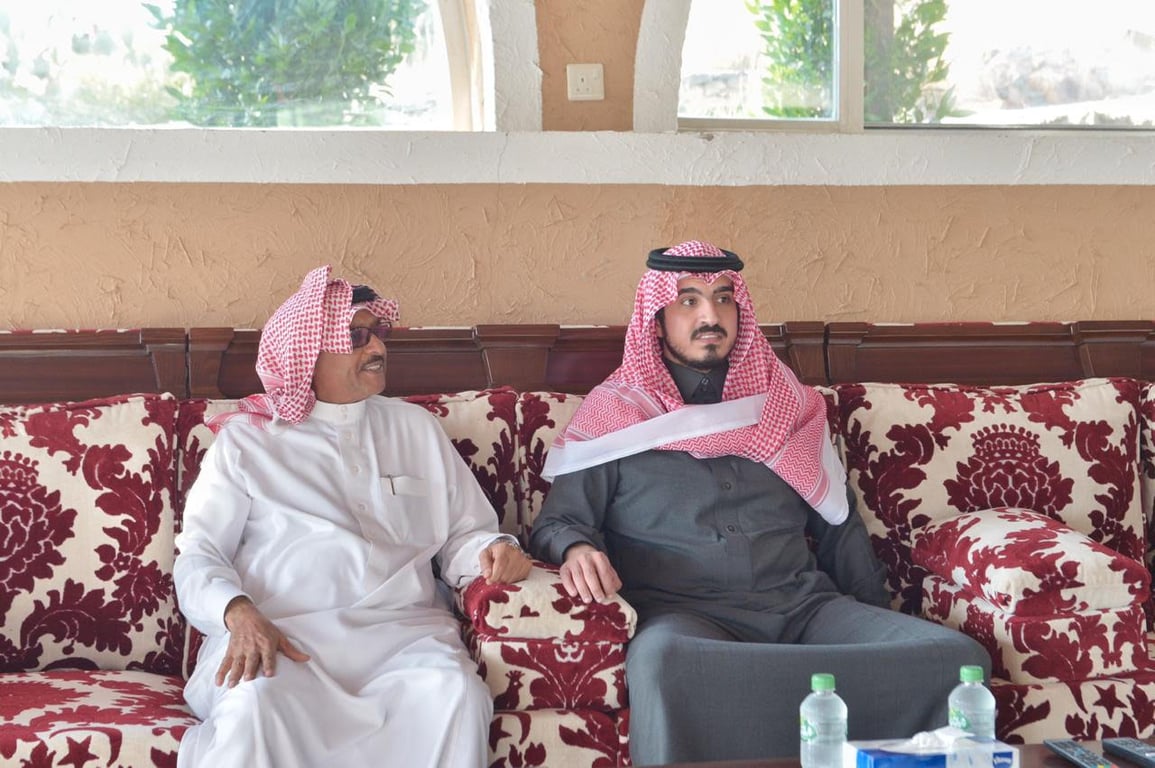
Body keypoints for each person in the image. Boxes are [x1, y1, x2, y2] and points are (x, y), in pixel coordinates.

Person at [528, 240, 990, 766]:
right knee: (664, 665)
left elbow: (837, 522)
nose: (710, 316)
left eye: (724, 298)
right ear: (655, 320)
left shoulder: (786, 404)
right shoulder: (617, 415)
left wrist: (875, 620)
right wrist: (576, 549)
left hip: (804, 609)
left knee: (958, 661)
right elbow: (558, 523)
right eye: (688, 301)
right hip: (687, 618)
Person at [175, 265, 532, 768]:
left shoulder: (415, 428)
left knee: (455, 694)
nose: (378, 348)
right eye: (357, 336)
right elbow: (199, 554)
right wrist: (236, 612)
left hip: (403, 639)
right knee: (258, 704)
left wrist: (496, 550)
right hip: (284, 638)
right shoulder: (247, 442)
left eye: (378, 333)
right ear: (307, 355)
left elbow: (465, 535)